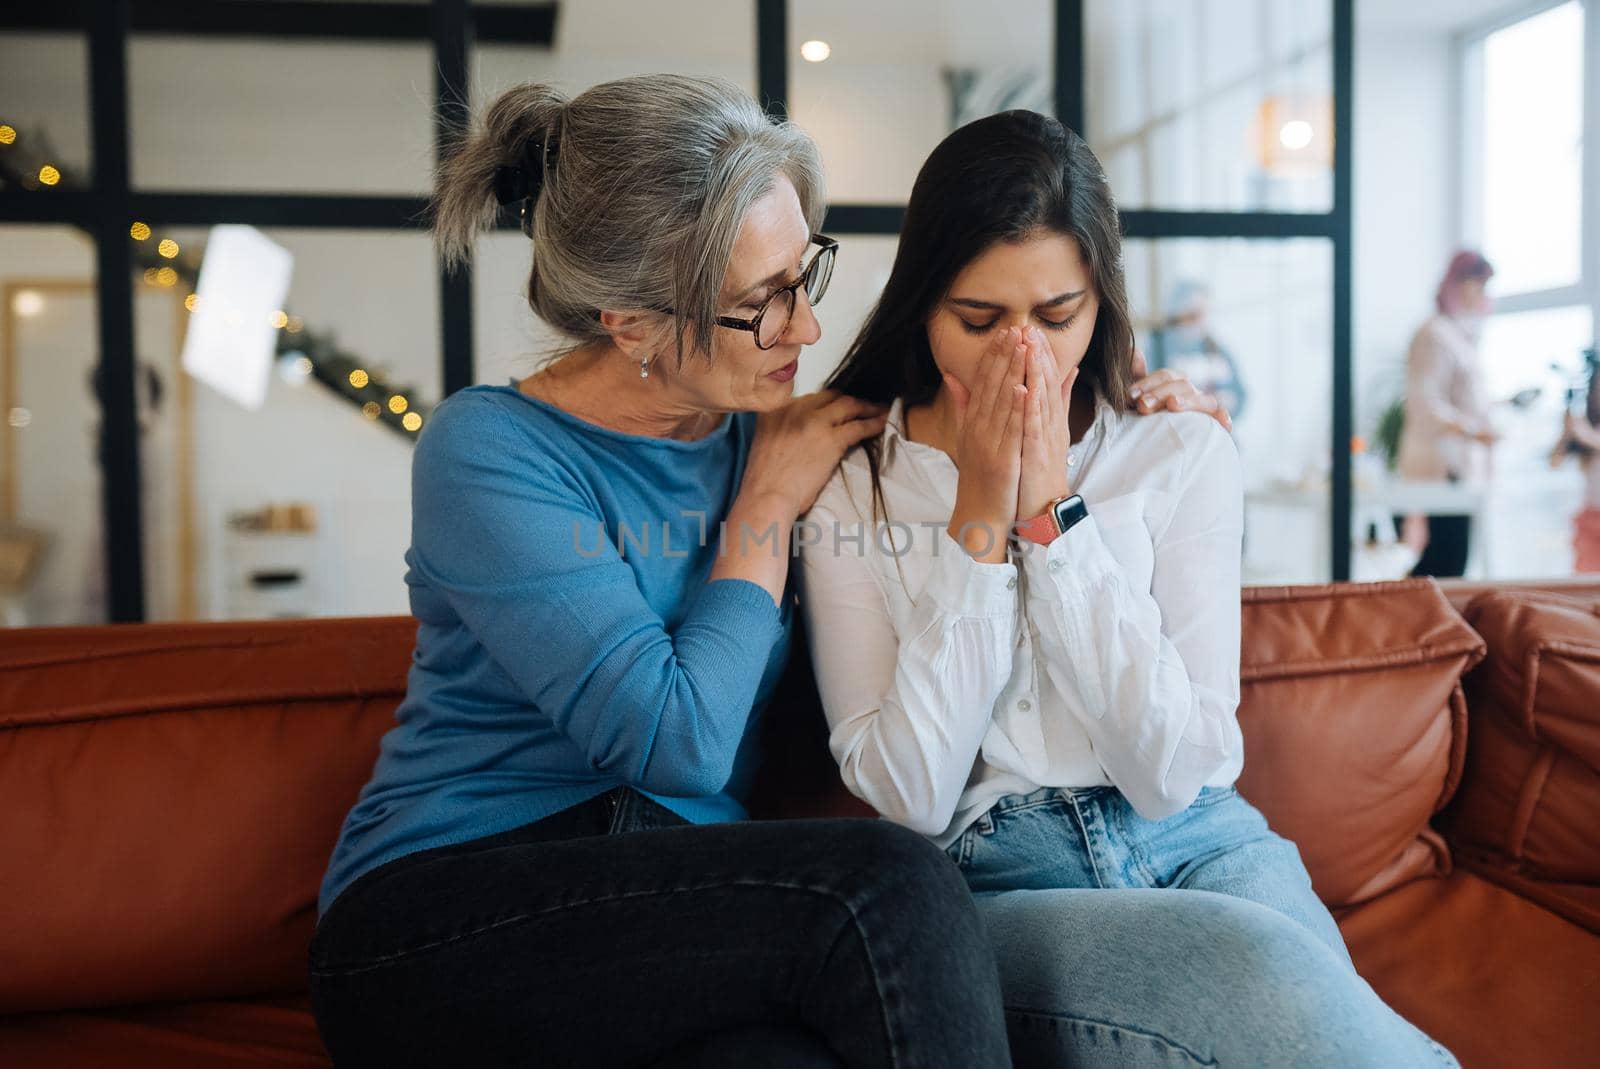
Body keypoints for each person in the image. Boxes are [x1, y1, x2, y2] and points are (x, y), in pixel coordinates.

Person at [306, 75, 1224, 1068]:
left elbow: (961, 419)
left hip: (686, 903)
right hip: (445, 918)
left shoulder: (783, 422)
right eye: (761, 302)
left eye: (805, 273)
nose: (804, 328)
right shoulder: (490, 451)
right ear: (631, 323)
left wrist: (1125, 404)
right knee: (893, 885)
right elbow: (681, 741)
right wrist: (762, 509)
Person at [801, 110, 1459, 1068]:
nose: (1020, 355)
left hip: (1201, 840)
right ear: (924, 306)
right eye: (979, 320)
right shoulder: (853, 481)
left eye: (1056, 318)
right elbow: (911, 793)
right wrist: (981, 513)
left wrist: (1053, 518)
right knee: (1266, 980)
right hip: (997, 874)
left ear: (1101, 303)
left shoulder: (1179, 450)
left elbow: (1174, 771)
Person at [1395, 250, 1498, 577]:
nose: (1483, 293)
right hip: (1443, 468)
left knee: (1450, 561)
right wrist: (1472, 430)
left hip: (1463, 469)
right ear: (1459, 283)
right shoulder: (1434, 334)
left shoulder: (1460, 334)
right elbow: (1424, 402)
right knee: (1445, 562)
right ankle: (1400, 620)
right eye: (1477, 284)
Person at [1145, 278, 1248, 422]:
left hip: (1219, 430)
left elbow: (1240, 394)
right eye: (1193, 314)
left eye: (1204, 314)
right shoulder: (1159, 347)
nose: (1199, 321)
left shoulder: (1217, 349)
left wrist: (1222, 401)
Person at [1550, 347, 1600, 572]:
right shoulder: (1586, 426)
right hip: (1590, 517)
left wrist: (1584, 435)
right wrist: (1566, 433)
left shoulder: (1588, 432)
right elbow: (1555, 463)